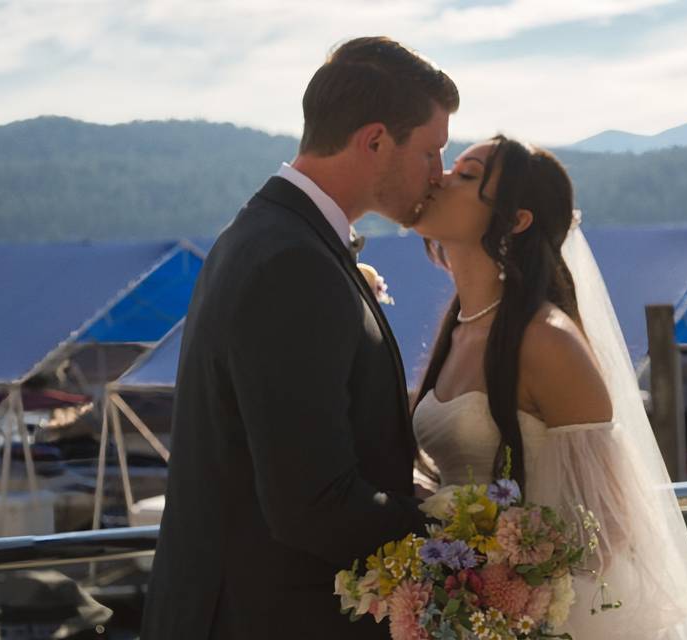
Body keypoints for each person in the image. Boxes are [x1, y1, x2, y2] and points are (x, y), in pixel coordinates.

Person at [140, 37, 459, 639]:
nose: (438, 175)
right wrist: (465, 544)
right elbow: (312, 503)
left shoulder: (264, 233)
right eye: (431, 152)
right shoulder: (293, 262)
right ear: (374, 141)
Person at [411, 135, 687, 639]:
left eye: (468, 175)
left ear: (517, 220)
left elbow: (605, 528)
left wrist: (505, 596)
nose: (441, 179)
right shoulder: (457, 328)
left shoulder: (547, 342)